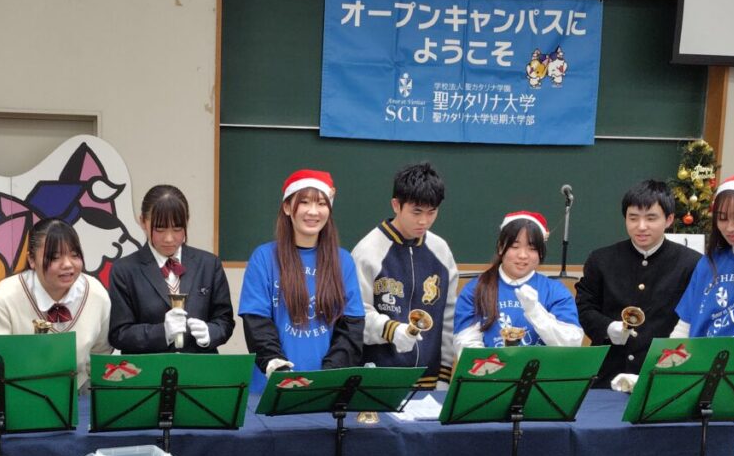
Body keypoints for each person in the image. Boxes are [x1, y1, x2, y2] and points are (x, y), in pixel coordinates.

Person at [239, 169, 364, 391]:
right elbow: (257, 322)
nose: (313, 211)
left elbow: (350, 329)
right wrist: (277, 368)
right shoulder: (263, 258)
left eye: (321, 203)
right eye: (304, 202)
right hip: (270, 388)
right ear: (287, 207)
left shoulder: (343, 261)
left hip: (325, 390)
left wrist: (327, 378)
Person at [575, 180, 701, 388]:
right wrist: (607, 327)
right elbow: (584, 307)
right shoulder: (601, 260)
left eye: (651, 218)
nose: (641, 227)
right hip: (607, 377)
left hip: (662, 376)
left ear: (669, 220)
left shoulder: (691, 263)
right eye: (633, 218)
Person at [351, 162, 458, 389]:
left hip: (429, 381)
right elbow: (356, 315)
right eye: (416, 212)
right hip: (379, 380)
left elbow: (448, 318)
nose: (423, 221)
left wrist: (444, 375)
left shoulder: (441, 251)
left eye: (431, 212)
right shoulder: (367, 251)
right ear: (396, 205)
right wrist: (390, 330)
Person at [0, 218, 112, 387]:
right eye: (54, 257)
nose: (67, 265)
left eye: (74, 255)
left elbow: (100, 353)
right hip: (17, 393)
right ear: (31, 260)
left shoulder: (96, 293)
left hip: (79, 390)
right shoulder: (2, 299)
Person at [108, 184, 234, 354]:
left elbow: (225, 320)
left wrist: (210, 332)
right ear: (142, 221)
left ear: (187, 221)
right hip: (148, 368)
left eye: (177, 229)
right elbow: (119, 333)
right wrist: (162, 332)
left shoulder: (209, 264)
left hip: (199, 367)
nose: (169, 238)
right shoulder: (124, 270)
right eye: (160, 229)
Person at [454, 211, 582, 355]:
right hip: (490, 368)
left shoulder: (555, 291)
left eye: (532, 249)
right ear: (501, 247)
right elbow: (465, 342)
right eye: (515, 247)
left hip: (541, 369)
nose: (523, 255)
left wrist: (535, 311)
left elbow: (571, 344)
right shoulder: (475, 289)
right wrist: (493, 364)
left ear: (541, 253)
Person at [672, 174, 734, 340]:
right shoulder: (708, 263)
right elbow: (684, 326)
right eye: (722, 218)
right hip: (698, 355)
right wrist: (671, 354)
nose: (730, 227)